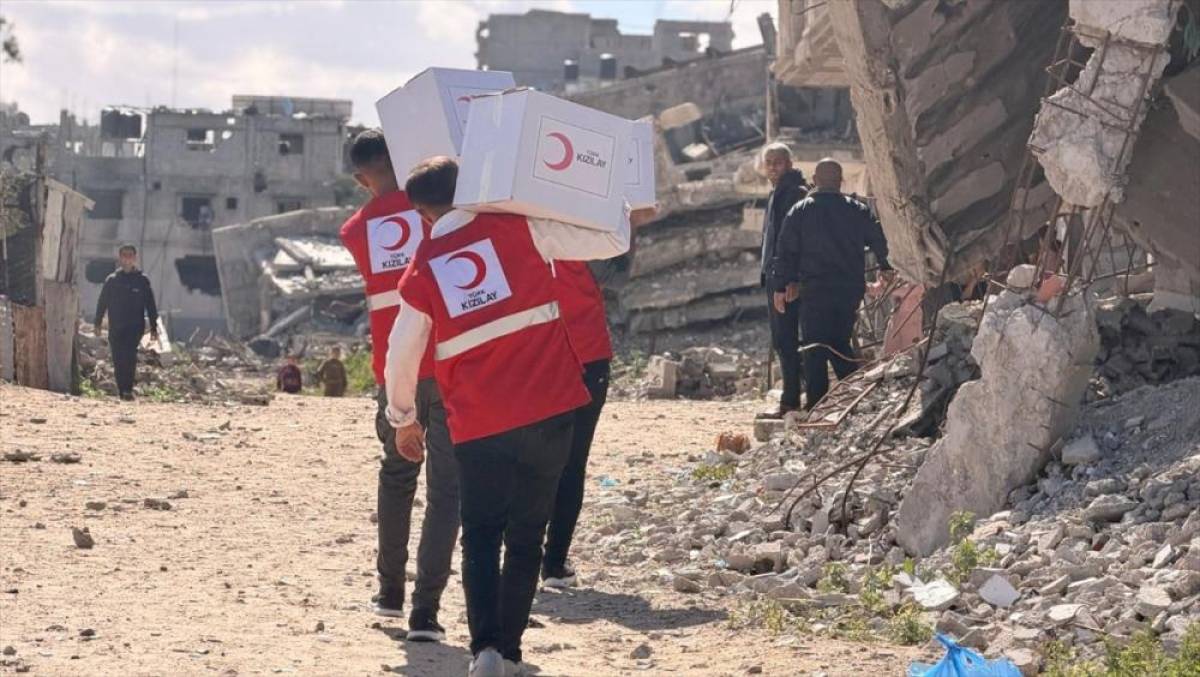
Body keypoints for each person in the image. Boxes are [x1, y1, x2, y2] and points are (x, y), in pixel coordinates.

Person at [385, 156, 651, 677]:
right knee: (528, 534)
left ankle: (484, 650)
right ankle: (510, 651)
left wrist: (404, 418)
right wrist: (616, 196)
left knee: (481, 532)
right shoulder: (521, 226)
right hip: (551, 408)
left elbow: (402, 349)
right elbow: (610, 241)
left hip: (479, 420)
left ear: (421, 213)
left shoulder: (424, 264)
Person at [338, 129, 458, 642]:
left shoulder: (355, 231)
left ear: (361, 179)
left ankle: (389, 592)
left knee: (396, 476)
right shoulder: (439, 210)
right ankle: (426, 612)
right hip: (450, 363)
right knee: (446, 491)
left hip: (394, 369)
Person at [771, 158, 893, 409]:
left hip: (815, 290)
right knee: (839, 340)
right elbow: (879, 239)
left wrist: (781, 286)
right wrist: (886, 266)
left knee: (815, 346)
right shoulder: (857, 210)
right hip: (848, 289)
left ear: (815, 181)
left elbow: (785, 251)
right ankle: (855, 394)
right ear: (841, 182)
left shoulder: (800, 211)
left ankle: (819, 404)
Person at [541, 259, 612, 589]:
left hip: (535, 356)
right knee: (572, 463)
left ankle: (520, 559)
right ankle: (554, 563)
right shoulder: (586, 232)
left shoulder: (511, 234)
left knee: (529, 461)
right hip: (586, 351)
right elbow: (616, 267)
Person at [757, 142, 809, 418]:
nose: (773, 167)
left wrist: (786, 282)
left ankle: (791, 402)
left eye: (778, 162)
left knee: (787, 340)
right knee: (783, 339)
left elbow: (791, 243)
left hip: (785, 280)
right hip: (776, 276)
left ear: (789, 164)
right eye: (769, 163)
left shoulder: (793, 193)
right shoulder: (778, 192)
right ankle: (801, 394)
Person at [94, 243, 159, 401]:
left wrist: (154, 328)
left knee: (129, 356)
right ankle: (122, 390)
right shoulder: (112, 280)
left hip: (134, 327)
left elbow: (150, 305)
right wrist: (97, 323)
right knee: (118, 358)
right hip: (116, 327)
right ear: (120, 258)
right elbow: (102, 302)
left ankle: (128, 390)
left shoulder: (142, 281)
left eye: (130, 256)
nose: (127, 259)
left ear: (135, 258)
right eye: (124, 255)